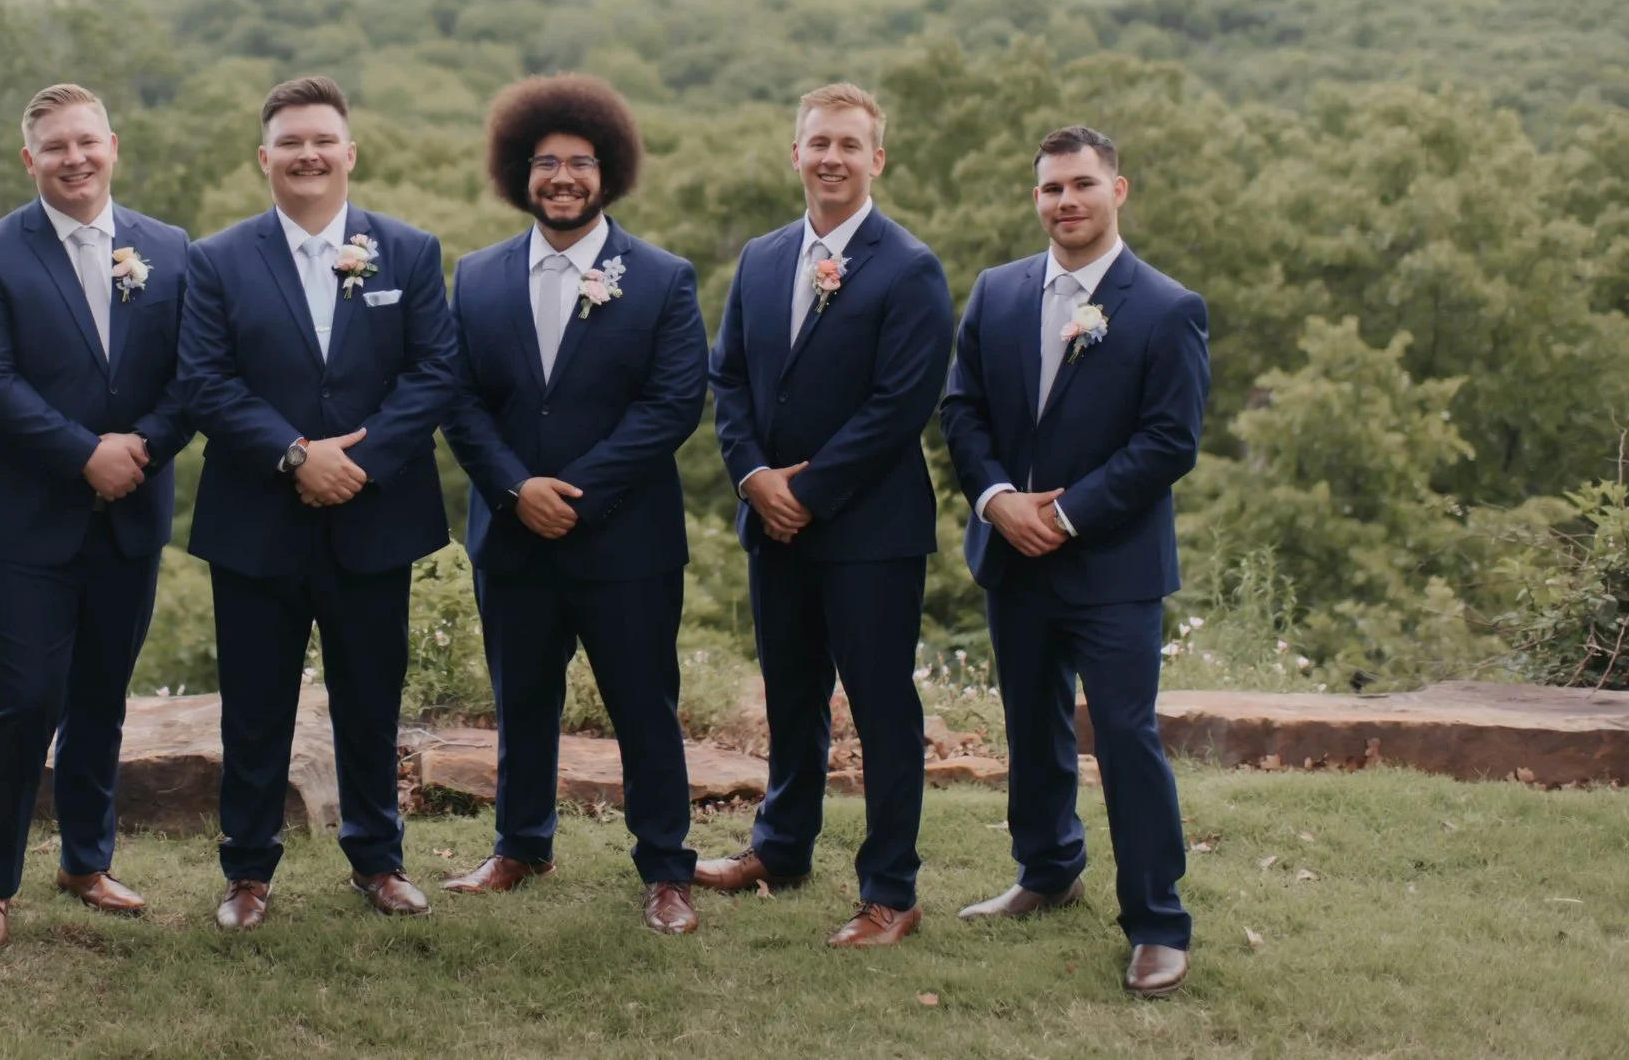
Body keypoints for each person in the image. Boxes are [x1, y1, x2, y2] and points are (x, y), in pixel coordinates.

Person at [178, 76, 458, 930]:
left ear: (350, 152)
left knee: (370, 700)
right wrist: (297, 455)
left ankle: (378, 859)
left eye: (323, 140)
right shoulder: (216, 259)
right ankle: (247, 869)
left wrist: (354, 465)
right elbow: (204, 381)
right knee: (253, 707)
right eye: (291, 142)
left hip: (374, 516)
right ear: (264, 157)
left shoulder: (407, 250)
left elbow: (433, 372)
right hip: (256, 518)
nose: (309, 154)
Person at [940, 124, 1208, 998]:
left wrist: (1066, 513)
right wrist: (997, 500)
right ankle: (1049, 869)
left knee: (1125, 736)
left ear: (1116, 190)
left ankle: (1158, 922)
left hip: (1114, 564)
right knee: (1031, 722)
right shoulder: (999, 290)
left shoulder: (1167, 307)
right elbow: (962, 409)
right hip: (1013, 553)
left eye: (1083, 184)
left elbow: (1169, 441)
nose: (1067, 201)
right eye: (1052, 187)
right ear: (1037, 198)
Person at [439, 75, 711, 935]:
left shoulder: (663, 278)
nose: (562, 177)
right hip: (512, 535)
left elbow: (673, 404)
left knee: (644, 706)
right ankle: (520, 844)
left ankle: (665, 867)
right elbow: (457, 399)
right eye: (546, 162)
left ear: (609, 171)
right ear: (519, 172)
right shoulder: (476, 276)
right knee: (521, 700)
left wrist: (576, 495)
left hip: (626, 542)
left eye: (580, 162)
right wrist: (516, 489)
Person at [0, 84, 193, 956]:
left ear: (112, 145)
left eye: (87, 141)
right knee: (25, 701)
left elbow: (194, 373)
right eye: (55, 147)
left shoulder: (169, 248)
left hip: (132, 513)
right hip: (26, 520)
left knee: (101, 697)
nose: (74, 158)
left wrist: (143, 448)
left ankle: (87, 860)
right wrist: (86, 453)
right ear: (30, 160)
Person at [698, 84, 953, 948]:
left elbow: (899, 405)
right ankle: (781, 847)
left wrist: (805, 493)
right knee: (791, 694)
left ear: (876, 158)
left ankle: (891, 890)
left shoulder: (910, 267)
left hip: (870, 531)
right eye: (819, 142)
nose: (832, 157)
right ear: (796, 154)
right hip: (772, 524)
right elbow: (729, 377)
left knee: (881, 708)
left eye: (849, 143)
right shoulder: (762, 257)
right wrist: (753, 478)